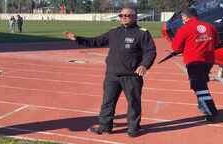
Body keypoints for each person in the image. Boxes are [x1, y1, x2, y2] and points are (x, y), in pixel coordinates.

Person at [64, 7, 156, 137]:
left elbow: (150, 51)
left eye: (127, 15)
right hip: (112, 75)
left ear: (135, 17)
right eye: (121, 15)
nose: (124, 17)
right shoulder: (114, 32)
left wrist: (144, 65)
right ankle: (105, 126)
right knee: (108, 102)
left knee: (133, 103)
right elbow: (96, 41)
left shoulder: (142, 33)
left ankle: (133, 128)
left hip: (131, 76)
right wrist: (77, 39)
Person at [172, 7, 219, 121]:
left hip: (194, 61)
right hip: (209, 61)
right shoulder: (210, 26)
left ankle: (211, 111)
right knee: (202, 83)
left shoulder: (184, 28)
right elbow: (217, 43)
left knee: (199, 87)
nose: (182, 19)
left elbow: (176, 47)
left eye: (182, 17)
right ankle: (202, 104)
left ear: (185, 17)